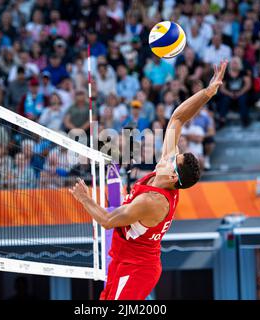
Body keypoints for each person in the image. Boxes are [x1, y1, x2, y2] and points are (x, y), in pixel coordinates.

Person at [69, 60, 227, 300]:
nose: (169, 155)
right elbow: (177, 119)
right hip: (121, 259)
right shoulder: (166, 171)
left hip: (138, 269)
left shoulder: (154, 201)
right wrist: (208, 92)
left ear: (174, 175)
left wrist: (84, 199)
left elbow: (108, 220)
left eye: (174, 159)